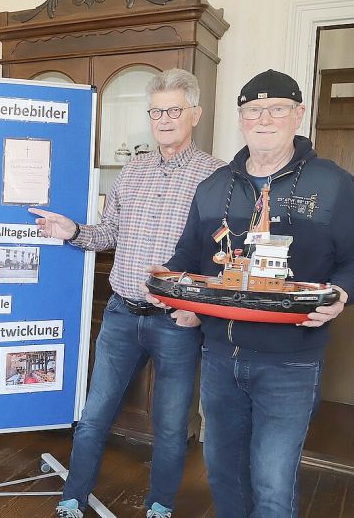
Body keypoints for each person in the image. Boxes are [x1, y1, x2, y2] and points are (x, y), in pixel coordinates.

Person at [153, 69, 354, 518]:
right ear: (241, 119)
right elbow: (188, 257)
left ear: (298, 115)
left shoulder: (331, 184)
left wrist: (340, 293)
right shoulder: (213, 187)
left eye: (277, 108)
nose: (264, 118)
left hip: (291, 360)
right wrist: (178, 292)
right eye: (253, 110)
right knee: (222, 472)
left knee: (273, 482)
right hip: (220, 355)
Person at [31, 69, 225, 518]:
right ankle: (72, 498)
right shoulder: (132, 170)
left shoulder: (215, 176)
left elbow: (221, 255)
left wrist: (198, 308)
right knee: (94, 413)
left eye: (173, 110)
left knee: (171, 425)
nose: (163, 119)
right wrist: (72, 230)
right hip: (121, 314)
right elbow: (110, 233)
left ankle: (160, 505)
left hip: (176, 322)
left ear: (194, 114)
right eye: (156, 111)